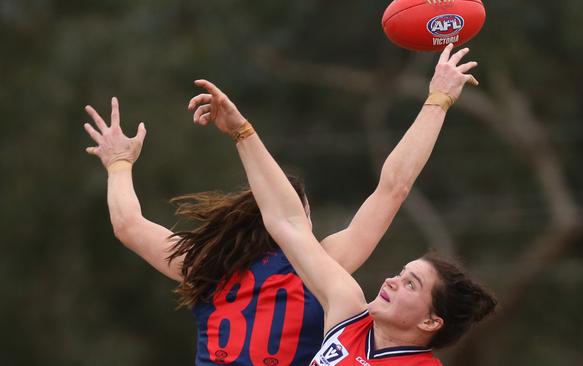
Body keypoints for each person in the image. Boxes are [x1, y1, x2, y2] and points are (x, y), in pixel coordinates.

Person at [82, 47, 463, 365]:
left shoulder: (205, 265)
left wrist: (119, 163)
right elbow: (392, 188)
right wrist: (437, 101)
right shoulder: (323, 265)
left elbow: (127, 224)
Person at [189, 44, 497, 366]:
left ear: (430, 322)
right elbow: (288, 223)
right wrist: (242, 131)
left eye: (410, 283)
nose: (392, 280)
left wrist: (440, 104)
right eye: (402, 273)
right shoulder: (348, 314)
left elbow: (395, 190)